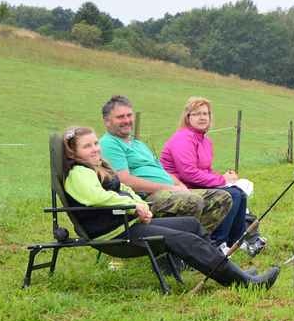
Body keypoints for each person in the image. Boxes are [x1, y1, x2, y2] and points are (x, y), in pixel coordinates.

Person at [61, 126, 278, 288]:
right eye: (87, 146)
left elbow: (124, 188)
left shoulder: (97, 168)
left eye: (95, 143)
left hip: (130, 224)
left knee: (192, 225)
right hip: (114, 234)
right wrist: (133, 207)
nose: (95, 149)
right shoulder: (78, 173)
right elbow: (98, 198)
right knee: (186, 239)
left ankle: (235, 273)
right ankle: (243, 283)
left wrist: (141, 205)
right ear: (73, 151)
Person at [98, 95, 234, 240]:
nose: (126, 120)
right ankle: (182, 245)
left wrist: (180, 185)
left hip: (169, 190)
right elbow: (125, 180)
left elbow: (161, 171)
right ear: (107, 121)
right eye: (120, 117)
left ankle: (198, 243)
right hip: (145, 197)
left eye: (129, 115)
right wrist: (168, 188)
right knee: (191, 201)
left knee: (222, 198)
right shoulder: (109, 143)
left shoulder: (137, 144)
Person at [159, 97, 250, 251]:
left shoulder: (205, 141)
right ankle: (216, 243)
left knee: (239, 193)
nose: (202, 117)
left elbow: (205, 170)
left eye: (205, 113)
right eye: (196, 114)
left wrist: (226, 178)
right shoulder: (182, 138)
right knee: (232, 194)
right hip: (179, 187)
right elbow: (188, 173)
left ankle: (235, 241)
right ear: (188, 117)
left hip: (195, 184)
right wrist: (222, 180)